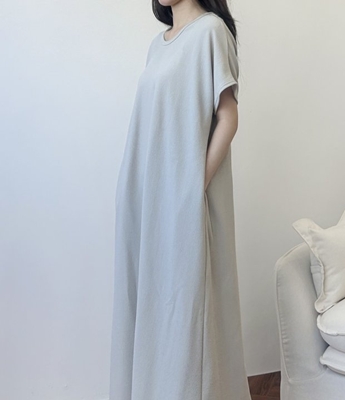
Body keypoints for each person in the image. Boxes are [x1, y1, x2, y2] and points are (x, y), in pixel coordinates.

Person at [109, 1, 252, 399]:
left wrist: (192, 186)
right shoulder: (158, 45)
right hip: (143, 197)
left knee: (185, 310)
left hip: (180, 198)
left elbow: (228, 117)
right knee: (147, 305)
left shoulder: (210, 32)